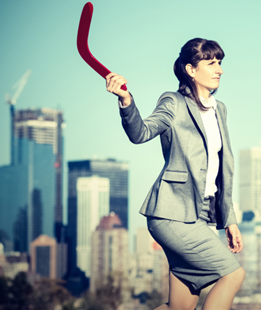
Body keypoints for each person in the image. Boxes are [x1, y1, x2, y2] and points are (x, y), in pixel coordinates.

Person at [105, 38, 245, 310]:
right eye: (212, 63)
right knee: (233, 273)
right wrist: (126, 100)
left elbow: (221, 170)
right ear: (191, 70)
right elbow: (140, 133)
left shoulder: (220, 109)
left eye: (220, 63)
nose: (220, 69)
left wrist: (230, 220)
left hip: (200, 216)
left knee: (180, 307)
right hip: (171, 214)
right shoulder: (174, 102)